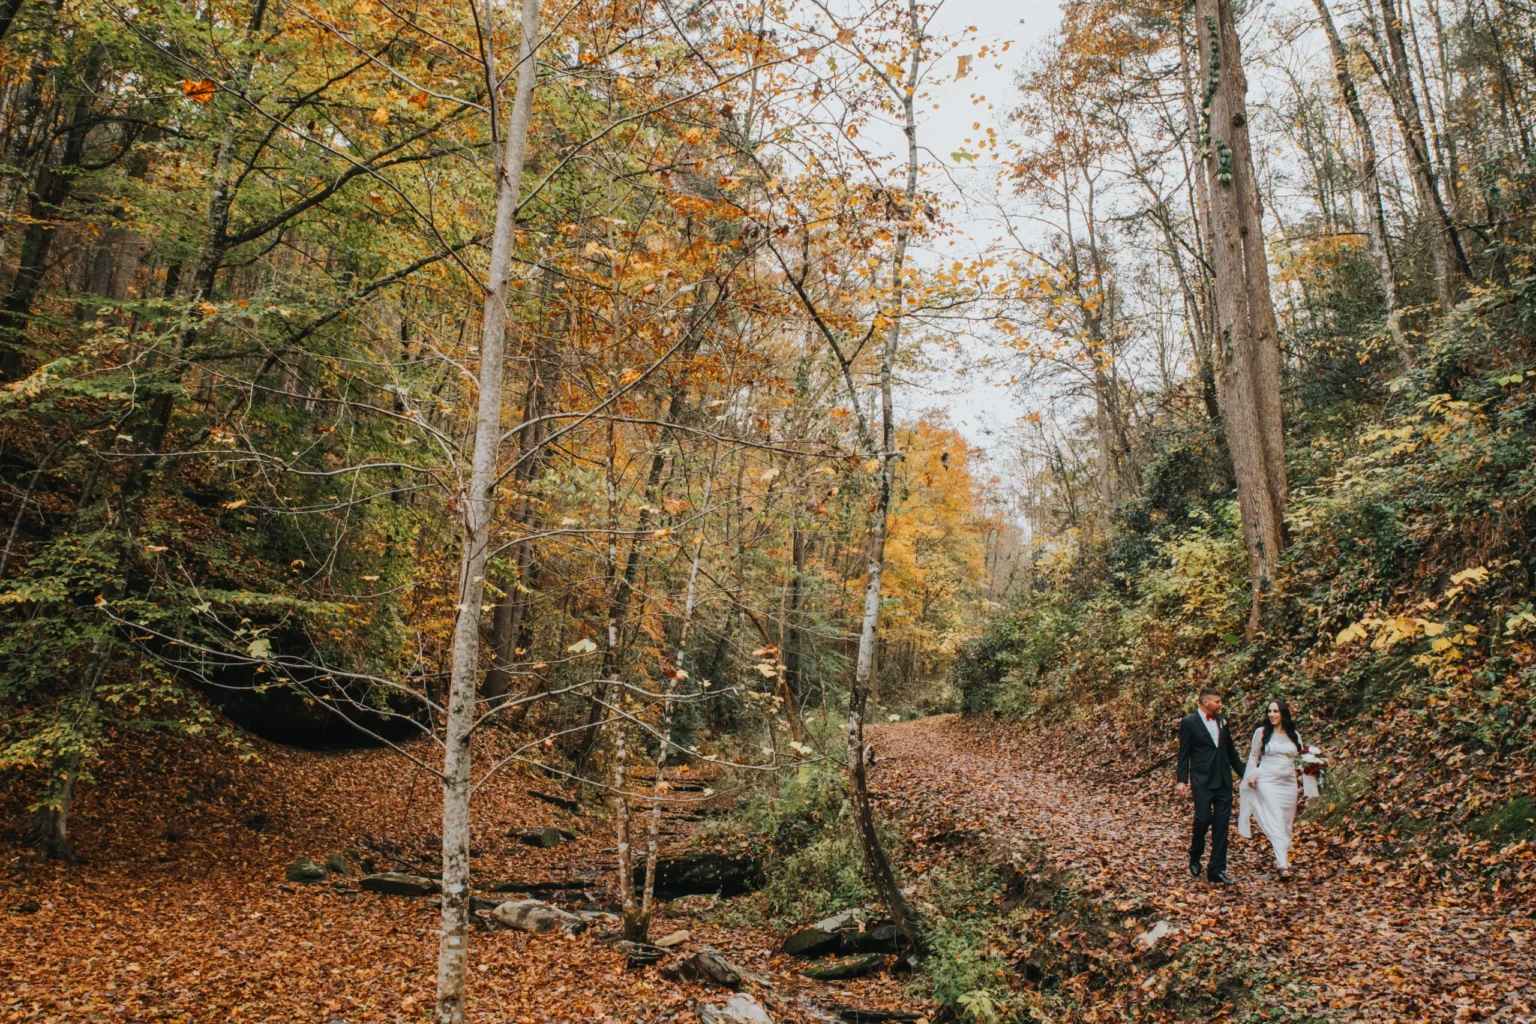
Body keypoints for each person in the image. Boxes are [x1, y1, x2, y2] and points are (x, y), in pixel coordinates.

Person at [1176, 687, 1246, 884]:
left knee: (1222, 825)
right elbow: (1184, 753)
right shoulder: (1189, 722)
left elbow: (1231, 751)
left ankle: (1216, 869)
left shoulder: (1223, 721)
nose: (1220, 704)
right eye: (1216, 701)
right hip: (1202, 780)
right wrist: (1182, 780)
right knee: (1203, 819)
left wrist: (1245, 774)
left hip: (1223, 779)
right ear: (1204, 702)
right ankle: (1195, 852)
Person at [1239, 699, 1303, 881]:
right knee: (1275, 818)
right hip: (1267, 780)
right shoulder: (1261, 733)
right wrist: (1251, 774)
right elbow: (1253, 756)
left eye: (1276, 711)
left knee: (1286, 822)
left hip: (1289, 783)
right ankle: (1283, 864)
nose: (1272, 715)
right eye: (1269, 711)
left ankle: (1282, 856)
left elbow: (1301, 759)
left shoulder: (1294, 735)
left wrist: (1312, 768)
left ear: (1283, 713)